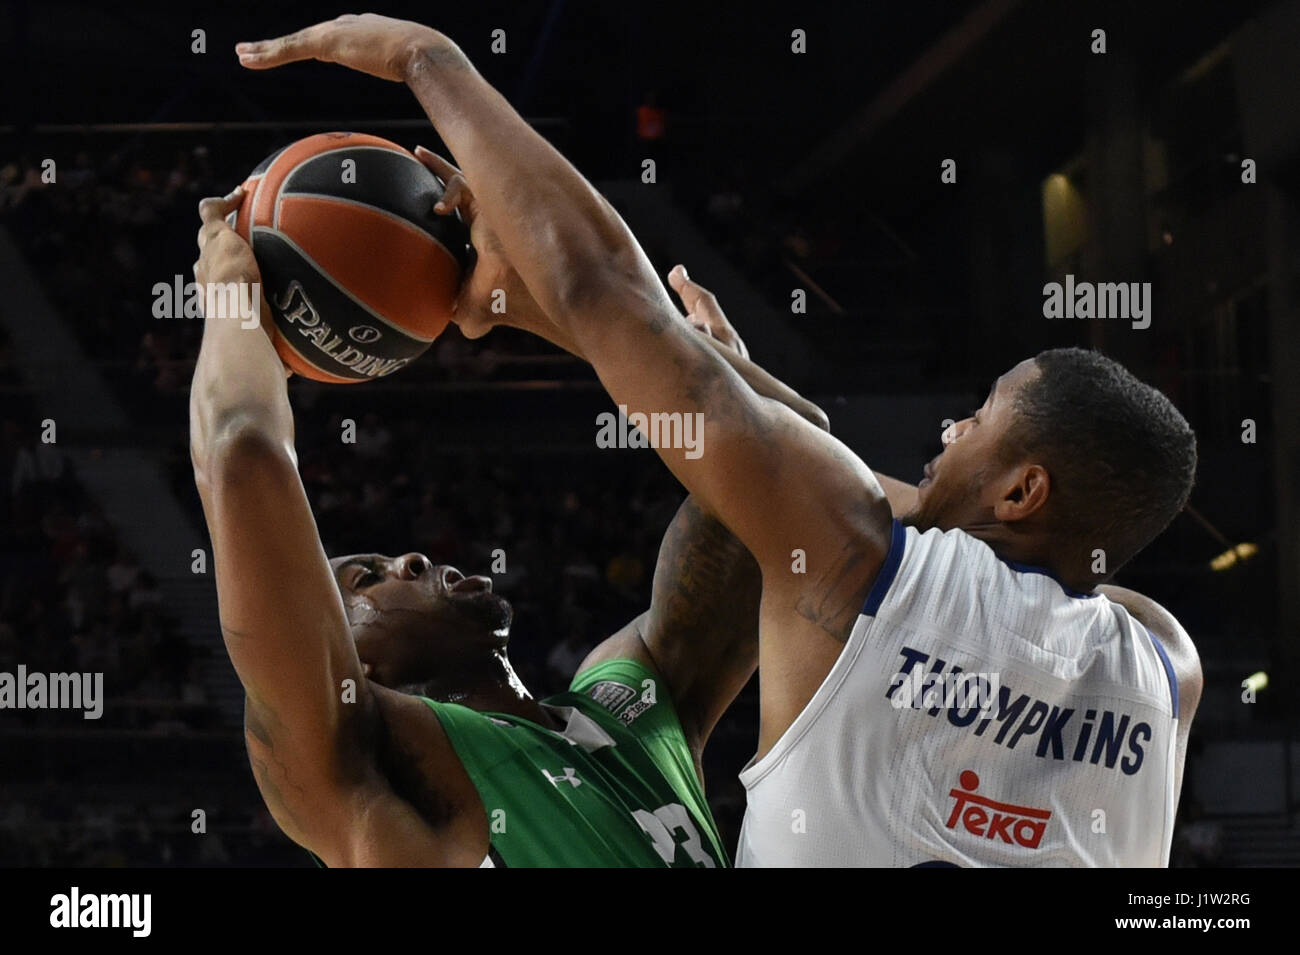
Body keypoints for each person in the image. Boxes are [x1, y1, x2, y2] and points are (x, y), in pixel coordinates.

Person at [234, 13, 1202, 866]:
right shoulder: (1166, 664)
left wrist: (428, 60)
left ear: (1023, 493)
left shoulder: (862, 563)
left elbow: (602, 290)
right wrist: (745, 405)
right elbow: (934, 529)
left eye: (977, 418)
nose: (945, 431)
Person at [190, 188, 827, 865]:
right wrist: (232, 297)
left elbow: (801, 476)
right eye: (366, 579)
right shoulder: (380, 762)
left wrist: (537, 304)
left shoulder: (632, 700)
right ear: (355, 663)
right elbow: (242, 455)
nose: (408, 559)